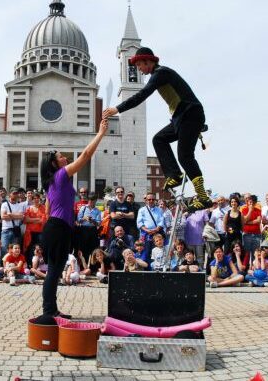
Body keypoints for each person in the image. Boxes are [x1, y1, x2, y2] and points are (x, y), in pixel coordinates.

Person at [102, 47, 210, 212]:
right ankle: (175, 175)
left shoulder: (161, 73)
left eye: (140, 65)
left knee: (185, 156)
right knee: (158, 139)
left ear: (148, 61)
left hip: (190, 114)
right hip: (180, 118)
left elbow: (141, 95)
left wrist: (117, 109)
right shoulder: (157, 75)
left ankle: (203, 197)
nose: (138, 69)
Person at [37, 119, 108, 323]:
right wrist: (100, 133)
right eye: (61, 156)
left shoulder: (54, 182)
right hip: (58, 228)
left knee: (56, 270)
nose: (65, 158)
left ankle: (52, 310)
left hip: (58, 227)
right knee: (54, 271)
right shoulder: (59, 176)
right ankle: (48, 311)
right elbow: (86, 156)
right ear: (54, 163)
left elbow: (49, 208)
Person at [136, 192, 166, 263]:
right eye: (149, 199)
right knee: (146, 252)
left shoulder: (159, 210)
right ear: (146, 200)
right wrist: (147, 230)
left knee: (158, 252)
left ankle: (156, 267)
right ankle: (147, 269)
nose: (151, 201)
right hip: (146, 234)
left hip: (157, 234)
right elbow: (139, 223)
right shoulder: (142, 210)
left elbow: (161, 222)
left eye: (153, 199)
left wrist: (156, 229)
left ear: (155, 200)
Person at [75, 193, 101, 261]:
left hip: (93, 230)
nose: (90, 202)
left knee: (93, 248)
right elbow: (78, 220)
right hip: (83, 230)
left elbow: (98, 224)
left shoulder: (97, 211)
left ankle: (92, 264)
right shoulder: (83, 208)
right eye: (89, 200)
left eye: (92, 200)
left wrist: (92, 221)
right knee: (83, 248)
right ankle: (83, 264)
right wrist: (85, 218)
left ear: (95, 201)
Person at [23, 191, 46, 261]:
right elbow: (26, 220)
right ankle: (30, 264)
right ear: (32, 200)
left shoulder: (44, 208)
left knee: (40, 248)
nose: (36, 200)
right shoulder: (29, 208)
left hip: (40, 232)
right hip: (30, 232)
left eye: (37, 198)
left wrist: (31, 220)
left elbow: (43, 220)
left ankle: (39, 264)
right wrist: (37, 219)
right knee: (30, 248)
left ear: (40, 199)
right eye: (34, 198)